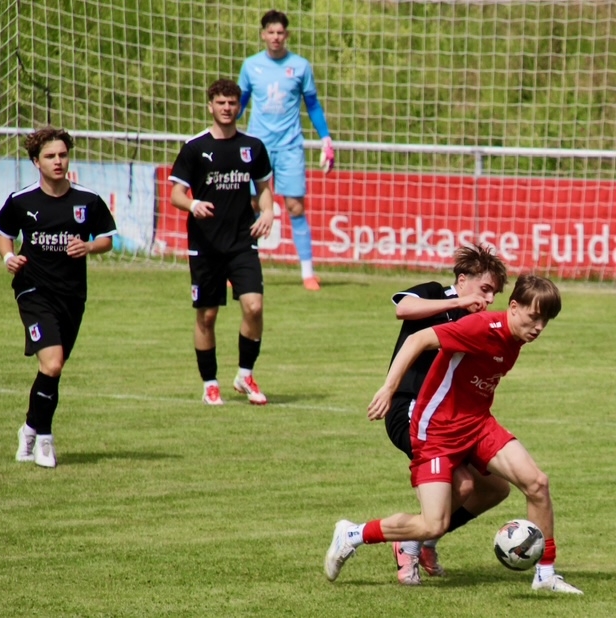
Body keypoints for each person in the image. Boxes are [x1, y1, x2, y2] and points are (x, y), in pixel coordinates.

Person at [325, 275, 583, 594]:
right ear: (514, 307)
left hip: (477, 425)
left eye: (545, 321)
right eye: (534, 317)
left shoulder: (516, 338)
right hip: (437, 432)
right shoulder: (481, 328)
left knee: (537, 483)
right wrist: (389, 388)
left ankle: (545, 575)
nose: (539, 327)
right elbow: (417, 339)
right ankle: (352, 534)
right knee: (432, 523)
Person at [384, 245, 511, 585]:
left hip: (449, 419)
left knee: (496, 488)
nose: (488, 299)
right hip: (410, 410)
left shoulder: (477, 322)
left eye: (494, 295)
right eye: (485, 289)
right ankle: (409, 543)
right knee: (464, 483)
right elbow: (403, 309)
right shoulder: (434, 294)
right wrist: (457, 304)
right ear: (462, 279)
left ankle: (426, 540)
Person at [0, 126, 117, 468]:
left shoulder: (87, 200)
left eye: (63, 154)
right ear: (36, 162)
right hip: (33, 290)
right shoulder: (22, 201)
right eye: (50, 156)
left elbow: (107, 238)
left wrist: (88, 246)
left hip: (72, 295)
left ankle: (30, 428)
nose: (58, 161)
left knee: (52, 370)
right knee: (52, 363)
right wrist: (8, 257)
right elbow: (3, 233)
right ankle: (45, 441)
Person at [169, 78, 274, 406]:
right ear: (210, 106)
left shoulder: (253, 147)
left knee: (254, 306)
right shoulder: (195, 147)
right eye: (221, 103)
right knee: (207, 316)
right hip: (205, 244)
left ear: (239, 107)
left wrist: (269, 212)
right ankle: (210, 384)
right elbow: (176, 194)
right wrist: (193, 205)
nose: (227, 108)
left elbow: (264, 189)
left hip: (242, 240)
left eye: (232, 103)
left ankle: (245, 375)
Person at [237, 9, 334, 291]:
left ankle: (307, 273)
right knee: (253, 205)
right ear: (263, 35)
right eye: (271, 32)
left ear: (286, 35)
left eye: (280, 32)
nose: (276, 37)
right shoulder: (251, 66)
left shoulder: (300, 66)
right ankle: (243, 268)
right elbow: (238, 104)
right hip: (258, 147)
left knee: (295, 206)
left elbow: (312, 105)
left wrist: (326, 138)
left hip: (290, 146)